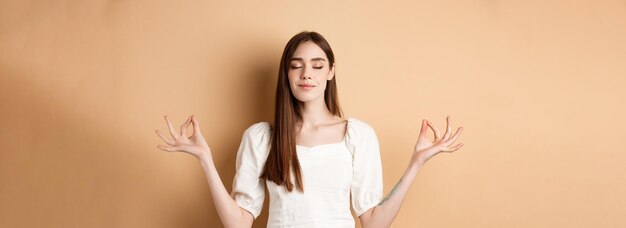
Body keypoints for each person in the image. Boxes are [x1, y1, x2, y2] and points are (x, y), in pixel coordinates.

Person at [155, 31, 464, 228]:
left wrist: (416, 163)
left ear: (330, 72)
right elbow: (238, 223)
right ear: (286, 74)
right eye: (296, 65)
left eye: (317, 65)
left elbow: (373, 221)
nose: (307, 74)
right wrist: (206, 160)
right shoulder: (261, 138)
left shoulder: (358, 135)